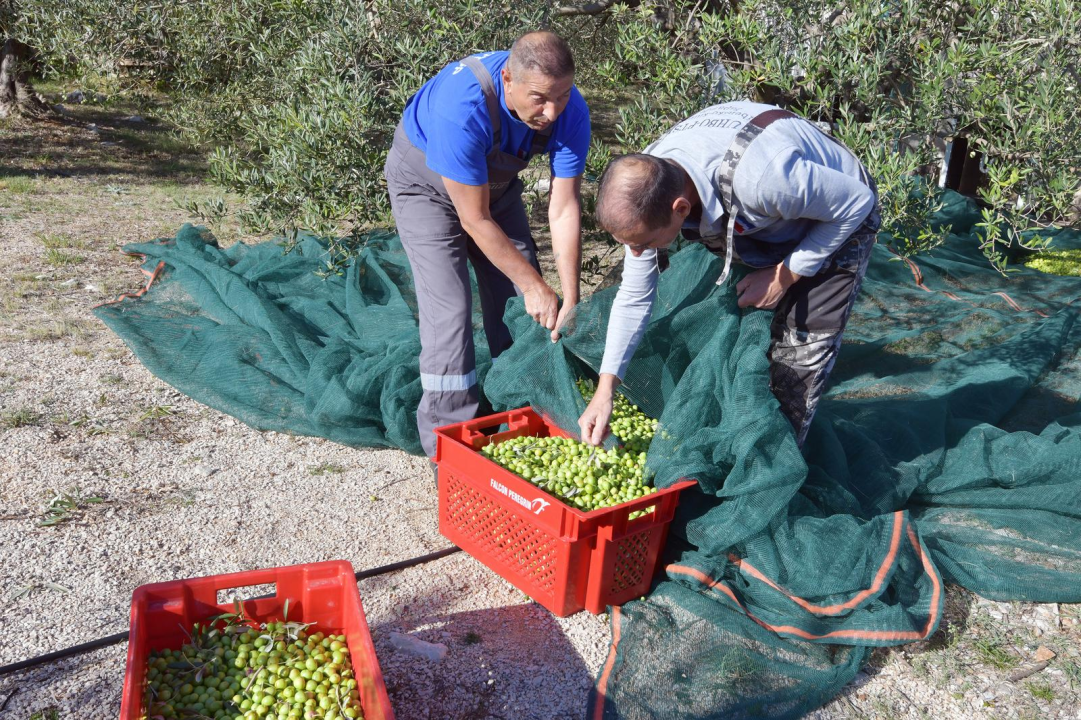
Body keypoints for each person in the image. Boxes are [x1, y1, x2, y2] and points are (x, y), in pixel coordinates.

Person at [578, 101, 880, 448]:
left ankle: (769, 468)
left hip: (838, 212)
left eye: (643, 243)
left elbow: (857, 202)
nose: (636, 253)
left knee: (798, 356)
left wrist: (784, 274)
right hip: (770, 216)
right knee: (748, 342)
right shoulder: (646, 179)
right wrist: (605, 390)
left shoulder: (765, 181)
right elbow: (633, 295)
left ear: (680, 208)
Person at [383, 31, 590, 463]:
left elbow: (565, 206)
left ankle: (525, 414)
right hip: (425, 187)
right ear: (507, 78)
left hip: (494, 189)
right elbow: (474, 220)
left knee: (525, 301)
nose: (551, 112)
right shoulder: (462, 109)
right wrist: (535, 285)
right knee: (451, 309)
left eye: (562, 96)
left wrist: (568, 292)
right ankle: (450, 444)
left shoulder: (568, 109)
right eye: (539, 99)